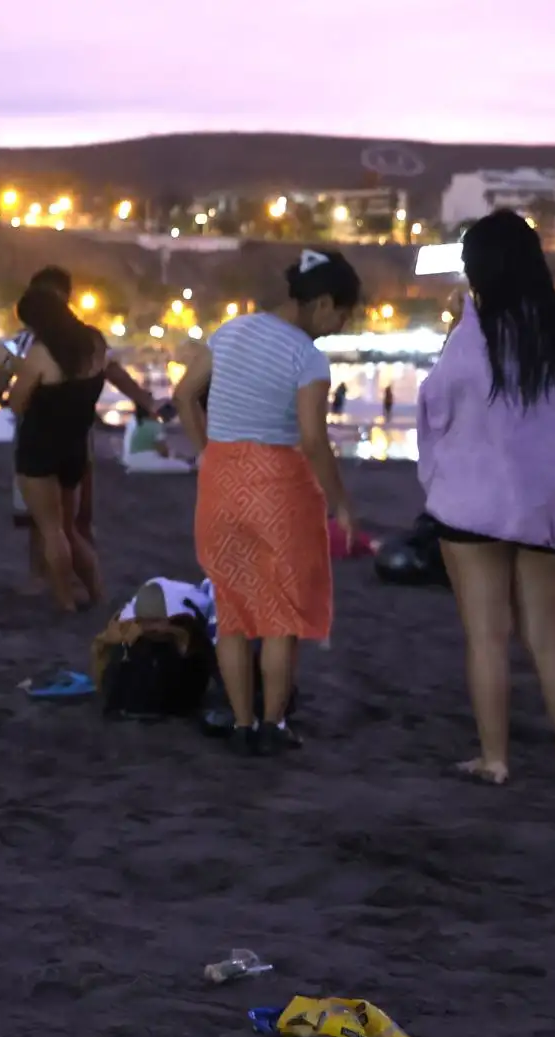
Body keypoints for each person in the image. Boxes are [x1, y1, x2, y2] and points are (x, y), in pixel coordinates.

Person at [417, 210, 555, 785]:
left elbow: (437, 402)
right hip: (549, 503)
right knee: (550, 634)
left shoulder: (474, 330)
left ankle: (495, 759)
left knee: (486, 637)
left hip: (474, 501)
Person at [174, 249, 358, 755]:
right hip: (279, 488)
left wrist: (209, 451)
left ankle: (240, 722)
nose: (339, 326)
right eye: (342, 315)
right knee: (279, 616)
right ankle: (273, 726)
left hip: (221, 484)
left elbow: (184, 394)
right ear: (321, 303)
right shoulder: (307, 356)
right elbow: (313, 439)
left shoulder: (231, 331)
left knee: (231, 612)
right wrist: (339, 500)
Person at [0, 265, 159, 583]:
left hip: (49, 436)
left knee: (61, 517)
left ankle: (60, 581)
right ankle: (49, 577)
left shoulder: (53, 341)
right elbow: (3, 374)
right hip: (69, 435)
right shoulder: (72, 339)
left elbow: (8, 382)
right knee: (47, 517)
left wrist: (142, 398)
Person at [10, 286, 112, 613]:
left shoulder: (41, 352)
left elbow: (17, 403)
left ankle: (65, 600)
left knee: (50, 530)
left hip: (40, 447)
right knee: (69, 528)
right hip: (75, 446)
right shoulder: (94, 343)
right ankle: (98, 594)